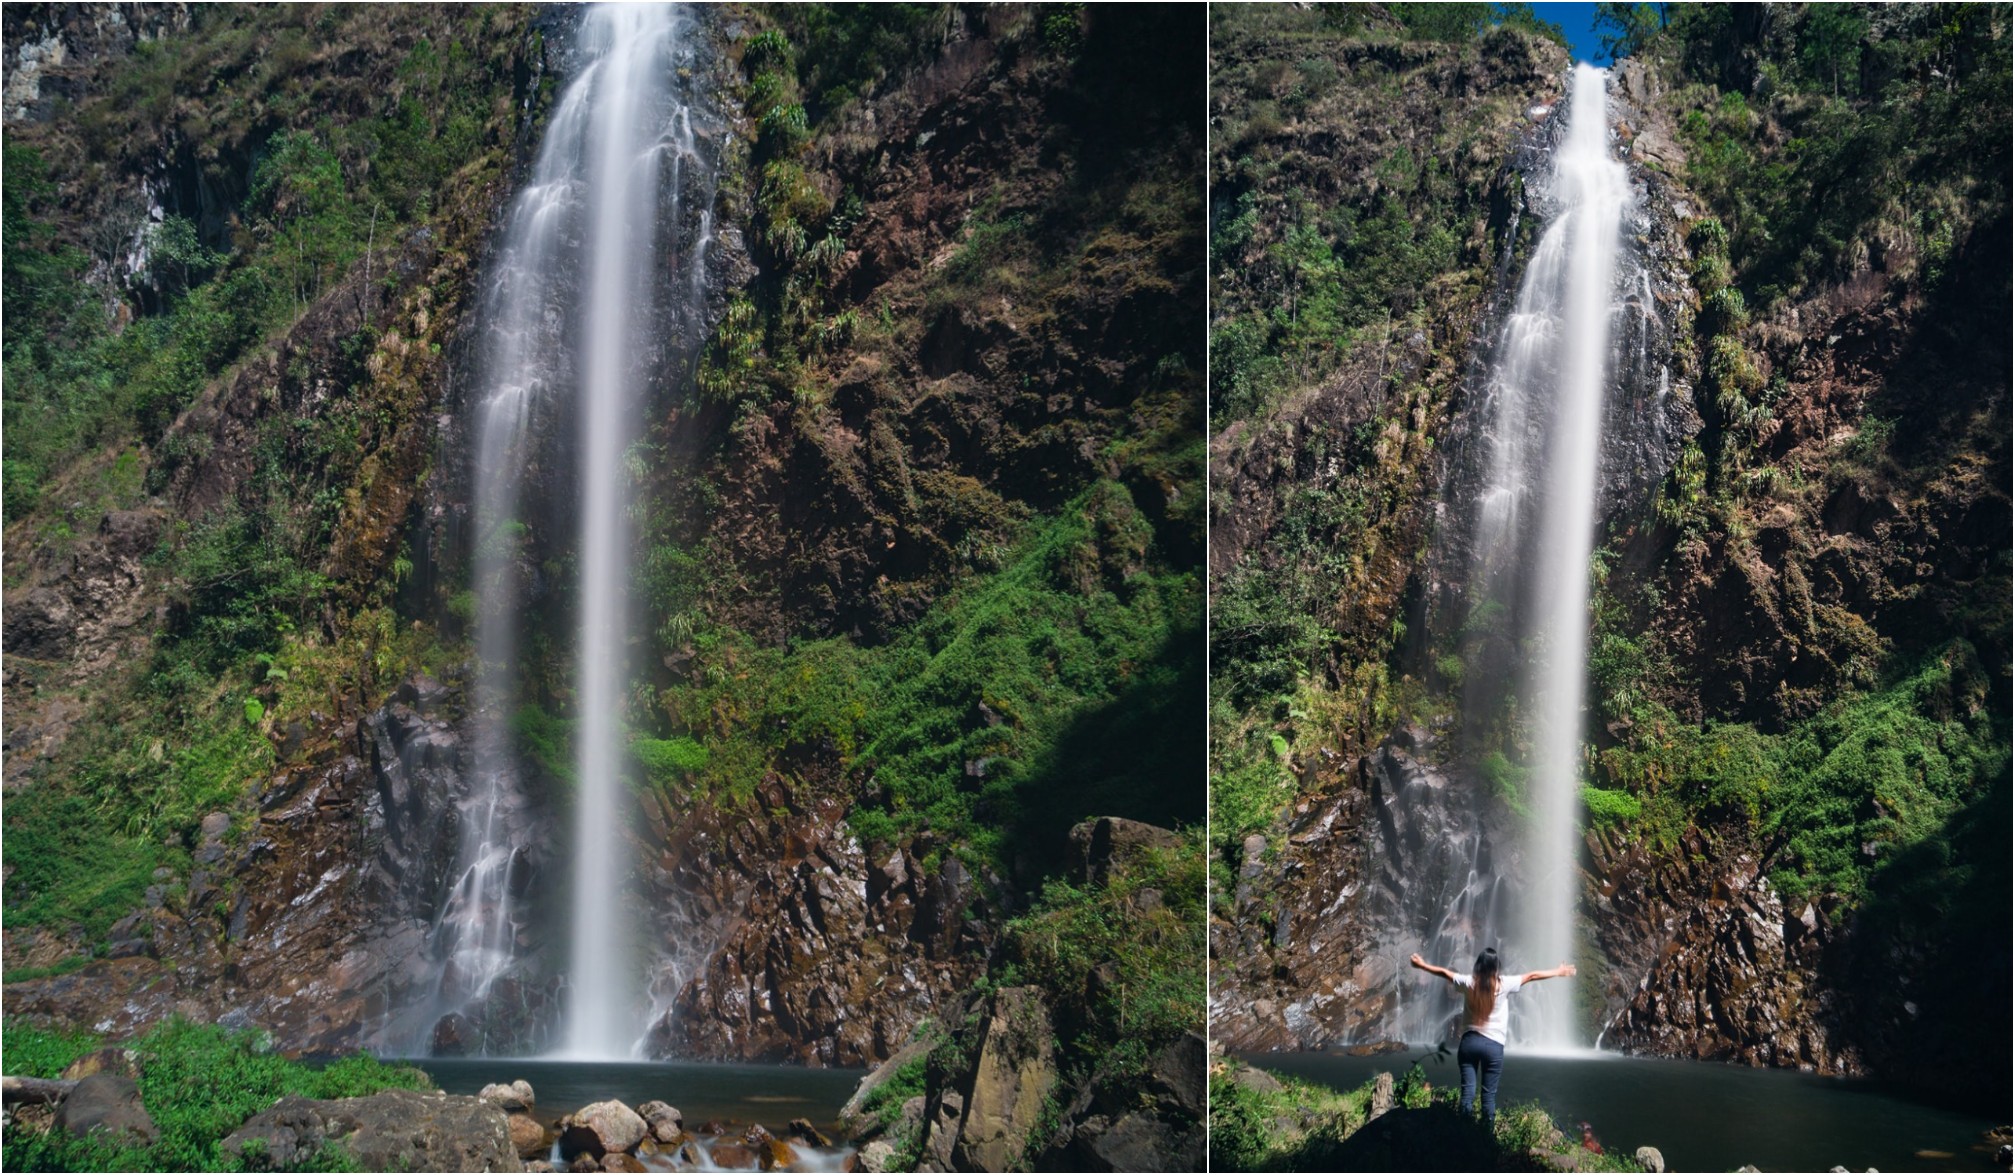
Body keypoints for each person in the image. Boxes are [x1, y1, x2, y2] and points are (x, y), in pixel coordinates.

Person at [1408, 947, 1576, 1127]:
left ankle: (1464, 1134)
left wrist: (1422, 965)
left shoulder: (1468, 982)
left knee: (1467, 1093)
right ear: (1497, 968)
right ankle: (1486, 1140)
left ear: (1478, 966)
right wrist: (1559, 972)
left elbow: (1444, 973)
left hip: (1469, 1043)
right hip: (1493, 1046)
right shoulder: (1504, 984)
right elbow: (1532, 976)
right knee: (1488, 1096)